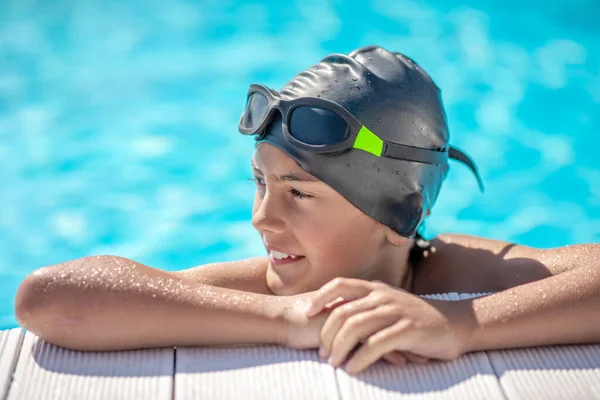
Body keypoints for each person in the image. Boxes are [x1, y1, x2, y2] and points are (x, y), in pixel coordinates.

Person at [14, 45, 600, 376]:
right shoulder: (274, 290)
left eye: (299, 192)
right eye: (259, 183)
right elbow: (49, 298)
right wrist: (293, 319)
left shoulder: (457, 270)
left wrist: (457, 326)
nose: (260, 219)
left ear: (401, 211)